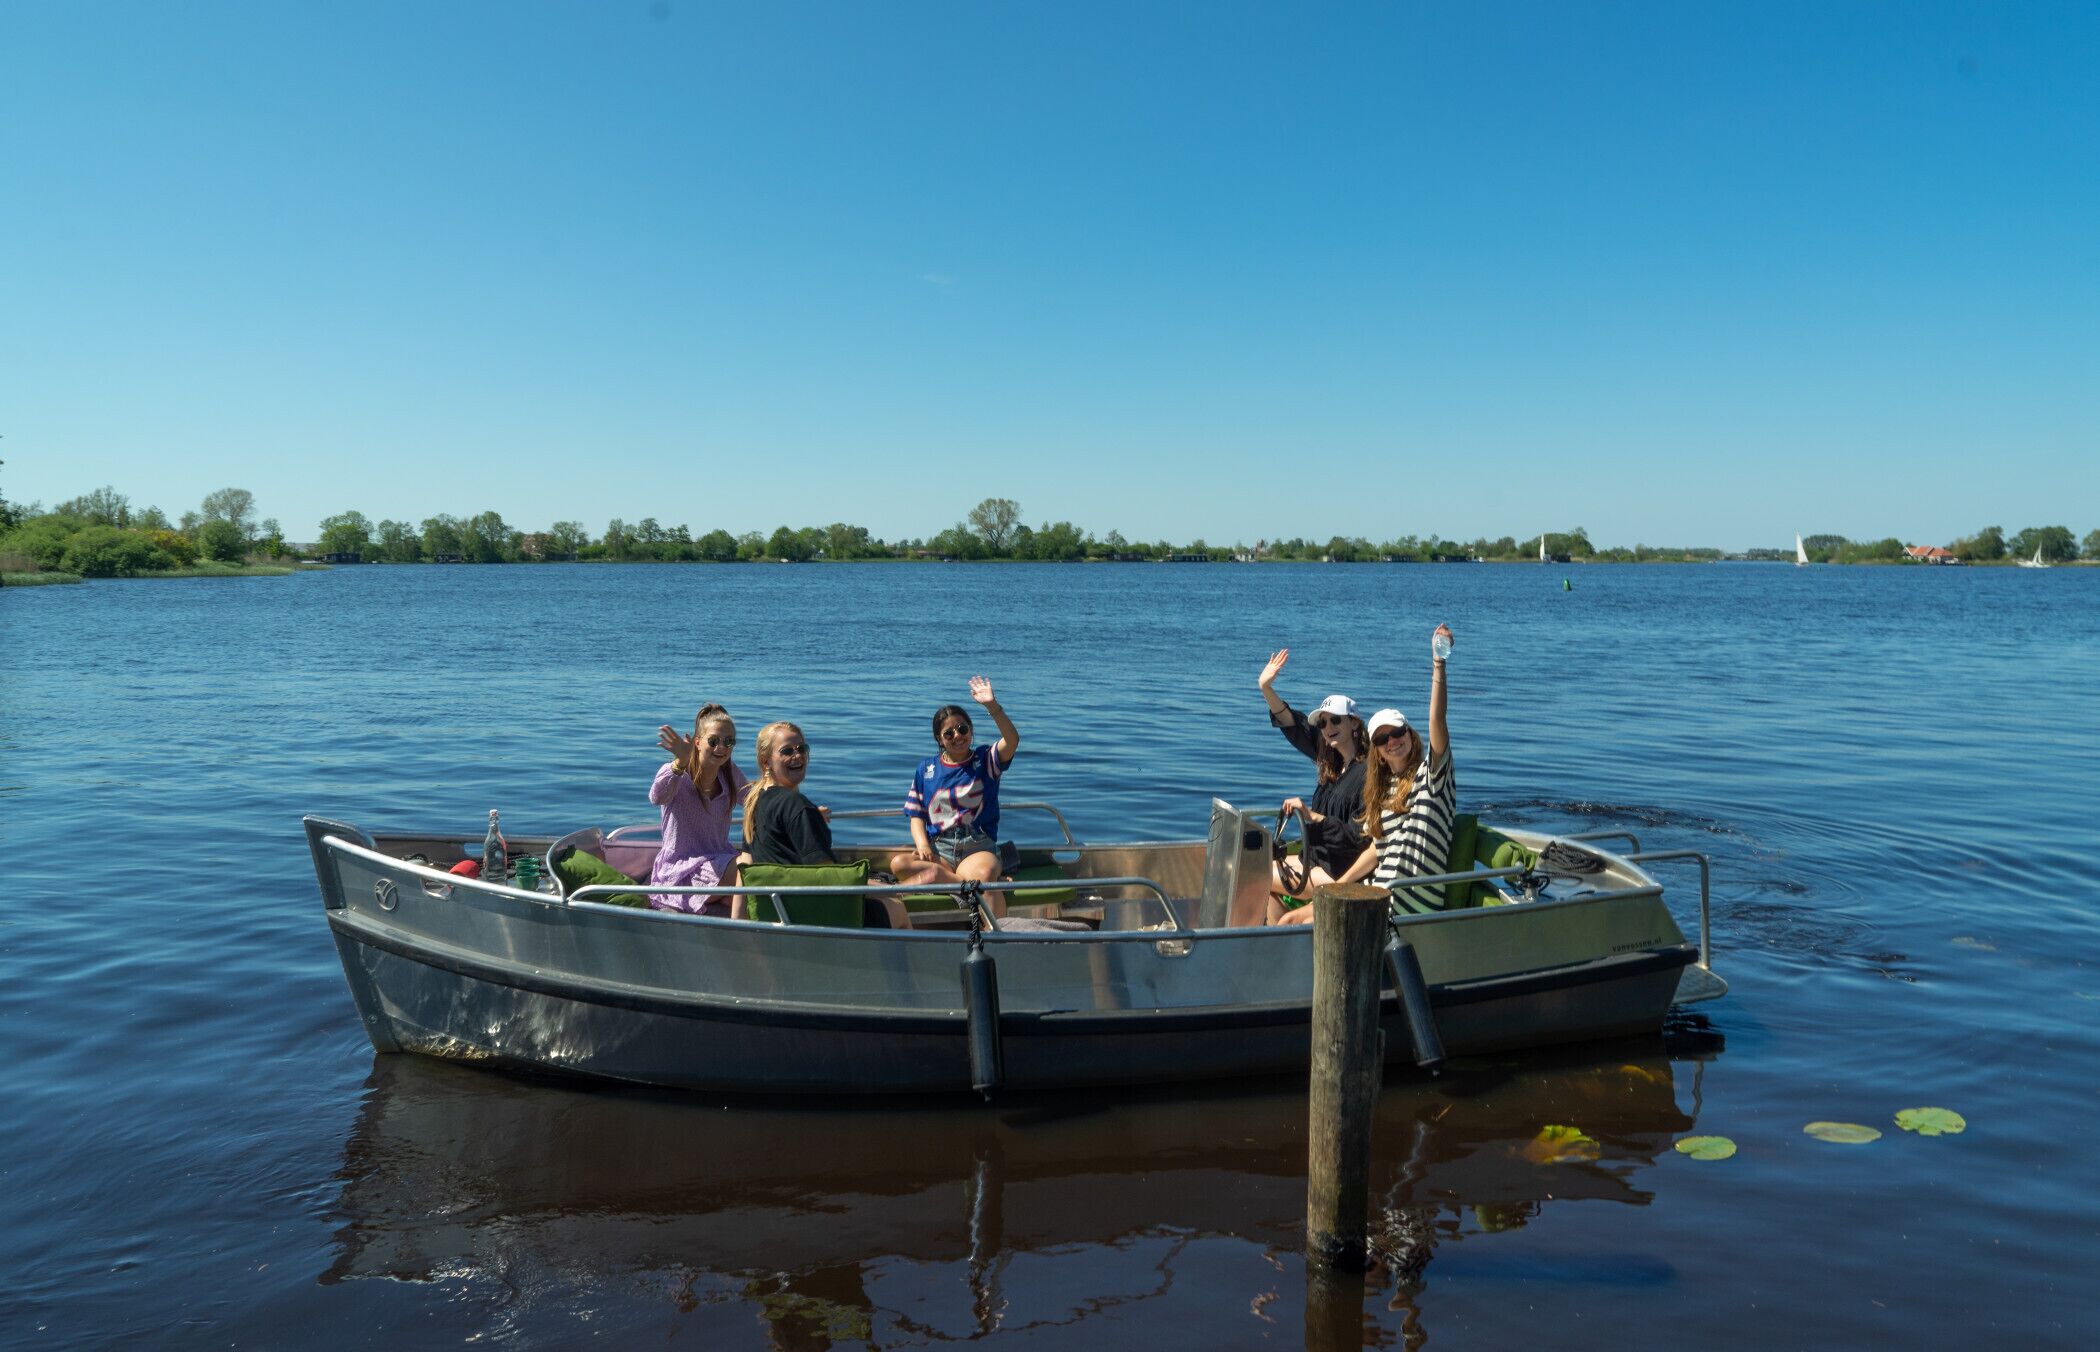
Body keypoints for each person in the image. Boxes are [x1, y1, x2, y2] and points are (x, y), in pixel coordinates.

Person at [1274, 624, 1456, 927]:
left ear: (1410, 735)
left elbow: (1437, 719)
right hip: (1374, 891)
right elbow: (1376, 848)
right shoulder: (1384, 792)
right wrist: (1340, 885)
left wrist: (1439, 663)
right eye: (1382, 740)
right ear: (1377, 750)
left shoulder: (1432, 778)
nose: (1391, 742)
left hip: (1405, 904)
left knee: (1295, 923)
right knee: (1288, 920)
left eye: (1397, 733)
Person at [742, 721, 909, 929]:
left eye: (802, 748)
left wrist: (737, 924)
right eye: (787, 751)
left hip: (777, 912)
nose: (797, 755)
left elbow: (745, 865)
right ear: (765, 762)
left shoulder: (756, 804)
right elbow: (827, 876)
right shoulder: (798, 808)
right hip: (814, 914)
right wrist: (883, 888)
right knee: (895, 905)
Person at [888, 676, 1019, 914]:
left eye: (962, 729)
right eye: (949, 733)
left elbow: (1012, 740)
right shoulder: (926, 770)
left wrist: (992, 706)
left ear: (971, 730)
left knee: (983, 875)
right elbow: (916, 814)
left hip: (976, 847)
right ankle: (955, 880)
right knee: (899, 864)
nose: (957, 736)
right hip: (941, 849)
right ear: (939, 739)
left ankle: (947, 880)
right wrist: (922, 843)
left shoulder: (985, 760)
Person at [1257, 648, 1373, 914]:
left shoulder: (1369, 772)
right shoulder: (1330, 761)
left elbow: (1357, 838)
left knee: (1257, 875)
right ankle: (1275, 949)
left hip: (1339, 868)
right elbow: (1292, 725)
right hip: (1315, 860)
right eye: (1322, 723)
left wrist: (1313, 816)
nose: (1328, 726)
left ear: (1354, 723)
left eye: (1335, 720)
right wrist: (1265, 688)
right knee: (1263, 884)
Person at [648, 703, 749, 916]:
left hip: (719, 864)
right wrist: (680, 762)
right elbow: (657, 797)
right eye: (713, 741)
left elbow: (755, 800)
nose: (721, 747)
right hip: (683, 873)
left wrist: (803, 812)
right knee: (748, 866)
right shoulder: (676, 773)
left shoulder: (729, 773)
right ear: (698, 742)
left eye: (729, 741)